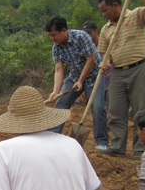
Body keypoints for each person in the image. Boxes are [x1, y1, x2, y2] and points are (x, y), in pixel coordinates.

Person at [96, 0, 145, 159]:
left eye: (105, 10)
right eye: (101, 11)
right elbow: (105, 52)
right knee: (115, 111)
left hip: (140, 68)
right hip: (118, 72)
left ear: (116, 5)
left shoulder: (136, 14)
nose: (104, 14)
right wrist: (106, 61)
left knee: (141, 111)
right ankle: (117, 146)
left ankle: (140, 149)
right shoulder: (106, 29)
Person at [45, 16, 109, 150]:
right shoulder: (56, 48)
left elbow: (90, 60)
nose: (52, 38)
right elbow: (59, 70)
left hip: (93, 76)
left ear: (63, 30)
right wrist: (56, 91)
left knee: (98, 107)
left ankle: (102, 142)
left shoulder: (81, 37)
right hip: (74, 76)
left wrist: (81, 81)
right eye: (50, 36)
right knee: (60, 104)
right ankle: (52, 136)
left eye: (54, 35)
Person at [83, 20, 111, 107]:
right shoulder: (85, 49)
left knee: (111, 109)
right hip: (94, 84)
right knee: (97, 108)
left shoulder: (106, 43)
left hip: (109, 82)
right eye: (85, 34)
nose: (88, 36)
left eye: (89, 33)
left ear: (96, 31)